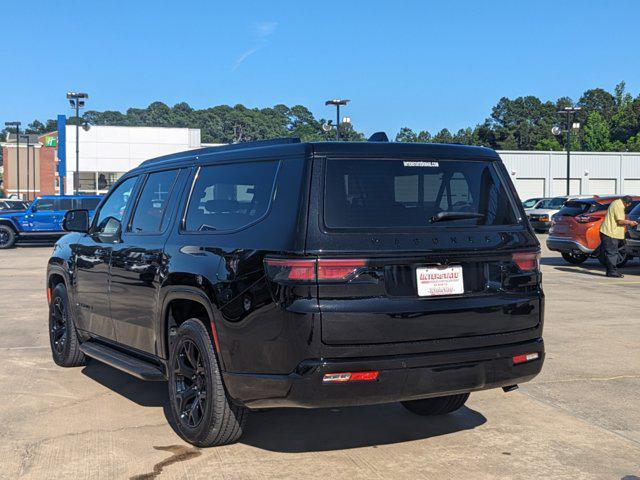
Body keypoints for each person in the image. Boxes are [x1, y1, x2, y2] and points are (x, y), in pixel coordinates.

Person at [599, 195, 638, 278]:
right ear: (627, 203)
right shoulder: (619, 206)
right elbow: (620, 221)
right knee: (612, 253)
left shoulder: (616, 202)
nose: (627, 207)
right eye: (628, 205)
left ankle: (610, 271)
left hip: (609, 232)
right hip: (610, 233)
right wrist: (630, 222)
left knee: (611, 252)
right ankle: (612, 272)